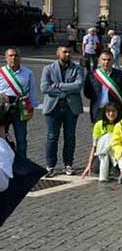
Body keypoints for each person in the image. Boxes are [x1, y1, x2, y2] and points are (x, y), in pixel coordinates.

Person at [40, 44, 84, 177]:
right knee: (52, 137)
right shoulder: (48, 69)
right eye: (65, 52)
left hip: (71, 108)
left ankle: (68, 164)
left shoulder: (77, 68)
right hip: (53, 108)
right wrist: (64, 92)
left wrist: (59, 85)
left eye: (69, 52)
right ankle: (50, 166)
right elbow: (44, 88)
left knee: (70, 137)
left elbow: (78, 86)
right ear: (58, 53)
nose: (68, 54)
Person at [0, 47, 38, 160]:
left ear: (20, 58)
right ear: (6, 58)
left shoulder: (28, 73)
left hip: (20, 108)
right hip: (3, 108)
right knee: (1, 137)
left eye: (16, 55)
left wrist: (32, 106)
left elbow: (32, 90)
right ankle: (3, 161)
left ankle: (23, 162)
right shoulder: (1, 72)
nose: (13, 58)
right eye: (11, 55)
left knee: (21, 138)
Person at [84, 51, 122, 123]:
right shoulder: (92, 75)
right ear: (99, 61)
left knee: (117, 133)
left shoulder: (121, 75)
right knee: (99, 132)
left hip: (115, 110)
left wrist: (116, 98)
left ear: (113, 61)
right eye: (104, 59)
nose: (106, 62)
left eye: (109, 60)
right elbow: (87, 92)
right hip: (98, 109)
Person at [81, 101, 121, 182]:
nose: (111, 114)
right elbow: (94, 146)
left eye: (113, 111)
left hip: (117, 154)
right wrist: (88, 165)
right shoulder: (99, 125)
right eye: (108, 111)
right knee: (95, 168)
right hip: (102, 153)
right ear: (104, 113)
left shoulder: (121, 124)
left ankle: (111, 168)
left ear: (117, 112)